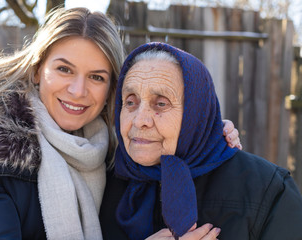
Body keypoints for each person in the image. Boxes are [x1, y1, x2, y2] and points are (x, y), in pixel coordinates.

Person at [0, 7, 240, 240]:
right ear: (36, 70)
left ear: (113, 88)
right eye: (64, 69)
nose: (78, 90)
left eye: (97, 77)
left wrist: (208, 136)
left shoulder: (111, 153)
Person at [99, 42, 302, 240]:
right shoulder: (101, 184)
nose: (139, 120)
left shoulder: (267, 189)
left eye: (161, 103)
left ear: (195, 114)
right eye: (130, 102)